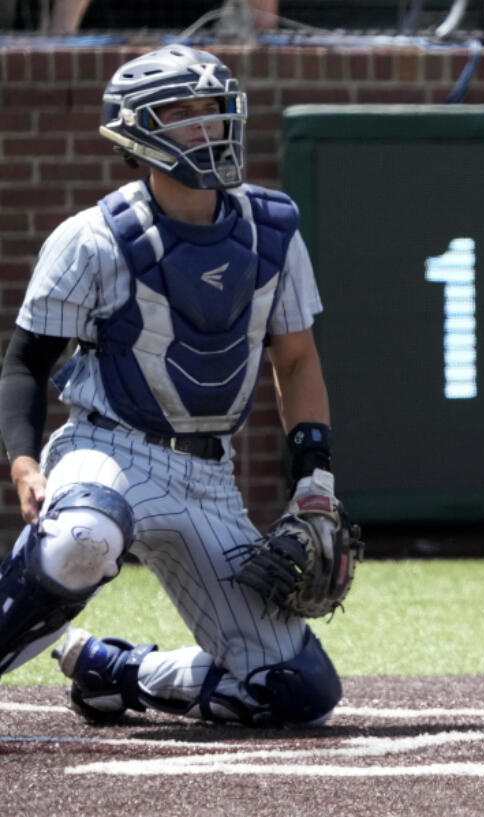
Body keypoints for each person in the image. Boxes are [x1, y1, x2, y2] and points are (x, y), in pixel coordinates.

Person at [0, 45, 345, 726]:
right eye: (181, 114)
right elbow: (24, 363)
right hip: (109, 448)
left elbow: (297, 361)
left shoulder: (273, 229)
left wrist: (316, 487)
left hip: (210, 474)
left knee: (297, 690)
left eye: (213, 111)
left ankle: (115, 669)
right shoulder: (91, 237)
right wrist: (22, 461)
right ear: (139, 131)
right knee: (82, 540)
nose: (205, 127)